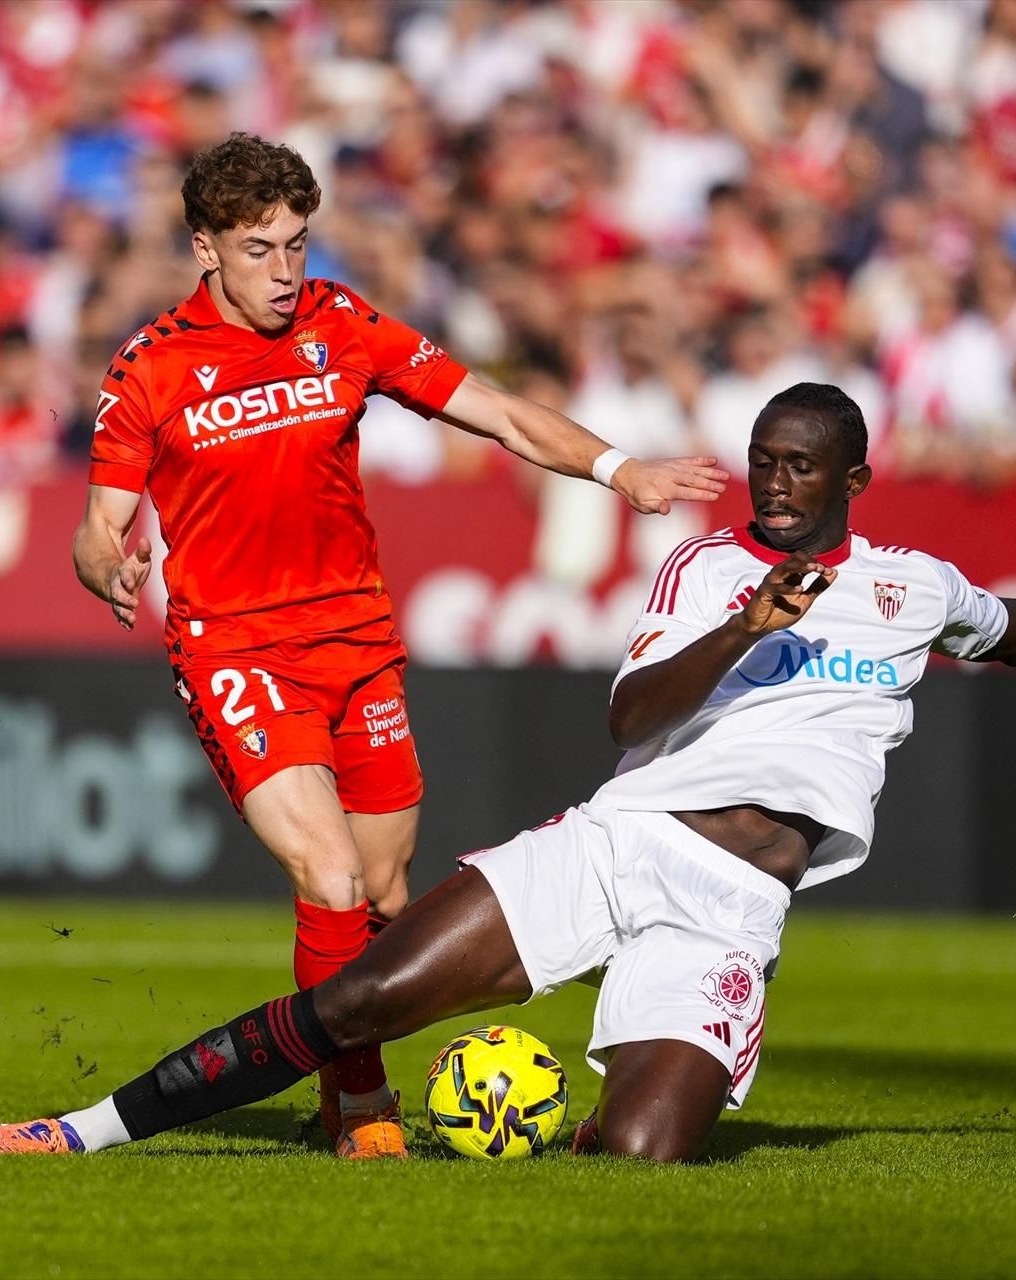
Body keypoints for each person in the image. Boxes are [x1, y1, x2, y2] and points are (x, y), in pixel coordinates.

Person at [0, 382, 1016, 1163]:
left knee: (647, 1155)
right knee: (359, 998)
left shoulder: (911, 587)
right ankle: (87, 1127)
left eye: (799, 466)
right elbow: (631, 712)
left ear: (854, 477)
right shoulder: (709, 569)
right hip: (621, 842)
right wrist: (748, 625)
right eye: (762, 461)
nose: (774, 483)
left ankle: (534, 1110)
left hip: (734, 908)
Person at [73, 133, 725, 1159]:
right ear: (205, 248)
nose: (284, 271)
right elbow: (97, 525)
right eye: (258, 249)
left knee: (381, 896)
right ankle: (362, 1103)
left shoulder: (342, 322)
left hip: (359, 644)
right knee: (329, 876)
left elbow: (496, 411)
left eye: (296, 244)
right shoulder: (150, 365)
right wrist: (109, 564)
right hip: (237, 650)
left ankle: (343, 1078)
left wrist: (619, 469)